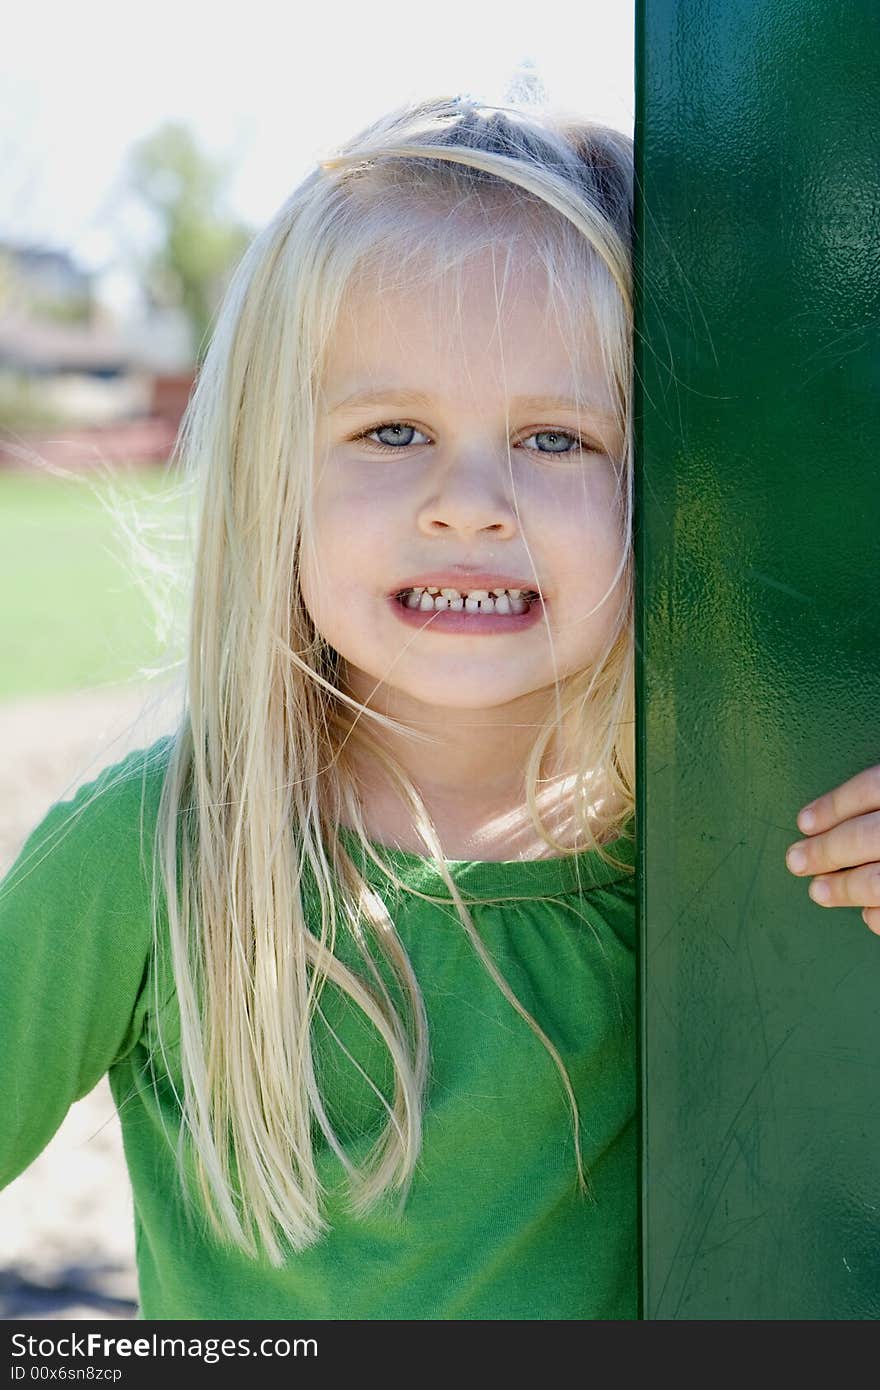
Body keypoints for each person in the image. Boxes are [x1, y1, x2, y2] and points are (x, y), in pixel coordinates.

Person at [1, 96, 877, 1323]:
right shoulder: (161, 853)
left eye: (557, 439)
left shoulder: (734, 851)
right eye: (393, 429)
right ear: (275, 475)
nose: (468, 501)